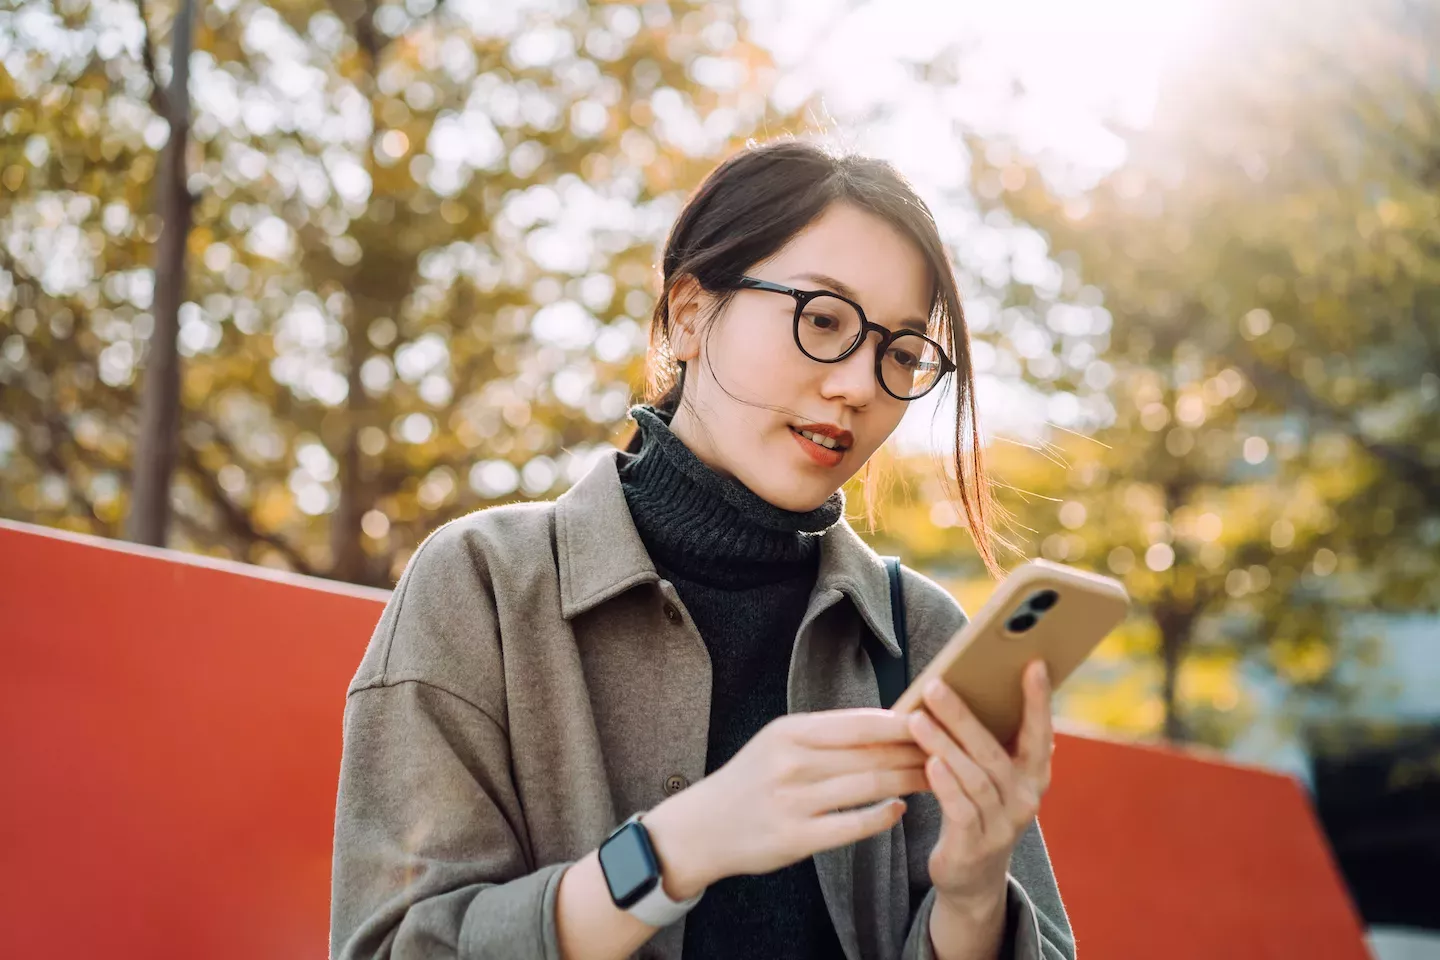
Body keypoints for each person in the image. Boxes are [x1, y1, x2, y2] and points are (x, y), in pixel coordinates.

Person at [330, 139, 1075, 960]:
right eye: (823, 319)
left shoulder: (920, 636)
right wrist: (676, 848)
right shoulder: (484, 586)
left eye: (899, 354)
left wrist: (972, 903)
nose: (860, 386)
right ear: (688, 314)